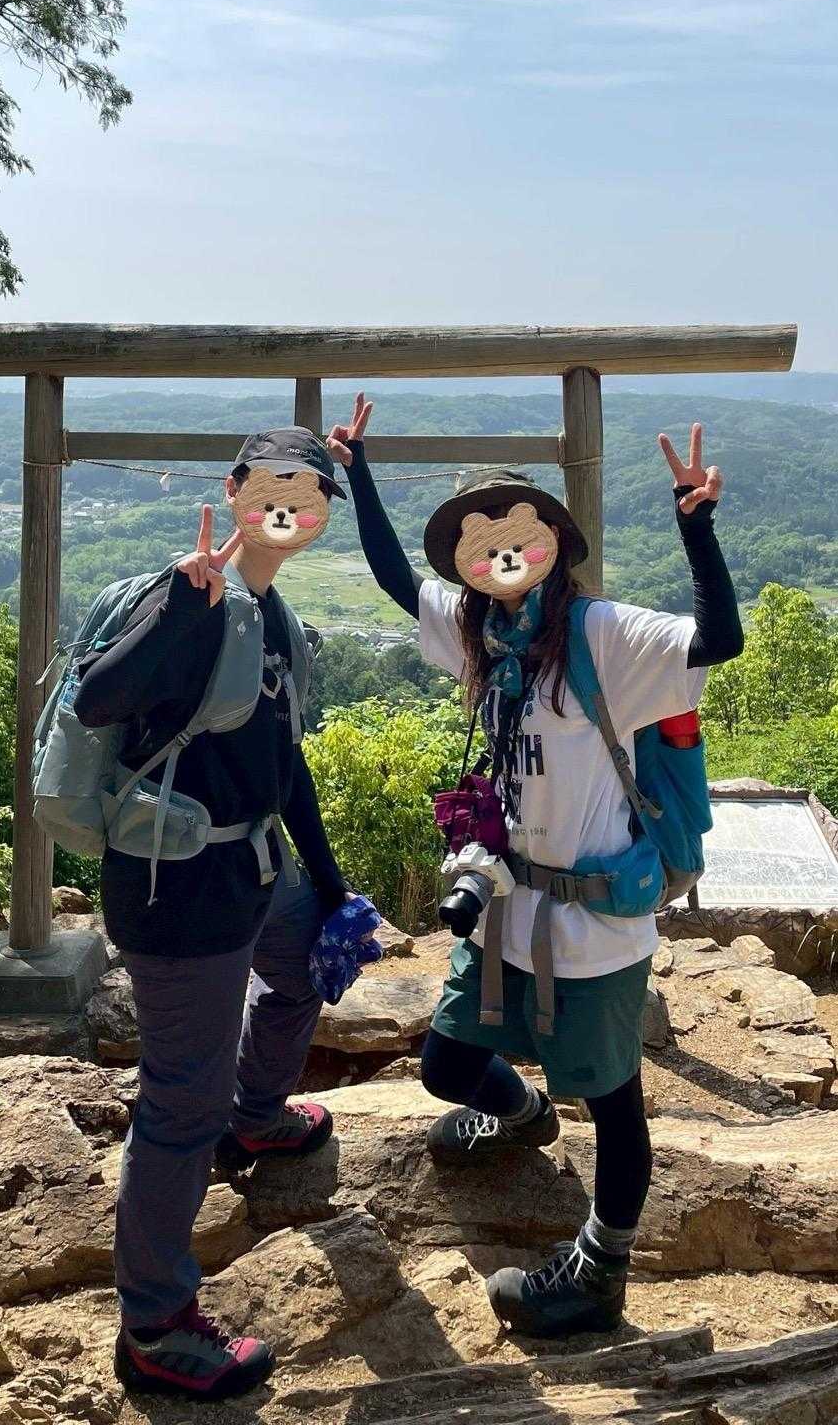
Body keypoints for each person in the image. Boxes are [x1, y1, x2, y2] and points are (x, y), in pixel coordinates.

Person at [326, 395, 743, 1340]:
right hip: (506, 905)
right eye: (479, 543)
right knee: (446, 1064)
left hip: (593, 921)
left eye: (518, 534)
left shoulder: (602, 635)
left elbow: (716, 640)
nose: (501, 553)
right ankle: (518, 1114)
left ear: (553, 542)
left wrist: (696, 526)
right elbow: (396, 581)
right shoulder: (481, 629)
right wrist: (360, 475)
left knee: (613, 1099)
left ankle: (600, 1271)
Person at [73, 429, 355, 1401]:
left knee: (304, 965)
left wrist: (330, 885)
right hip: (177, 887)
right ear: (233, 491)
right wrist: (177, 612)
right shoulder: (190, 598)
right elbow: (95, 698)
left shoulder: (273, 617)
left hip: (251, 866)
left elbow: (285, 764)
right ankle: (154, 1329)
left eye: (310, 491)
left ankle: (258, 1116)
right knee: (177, 1107)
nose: (288, 503)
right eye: (271, 483)